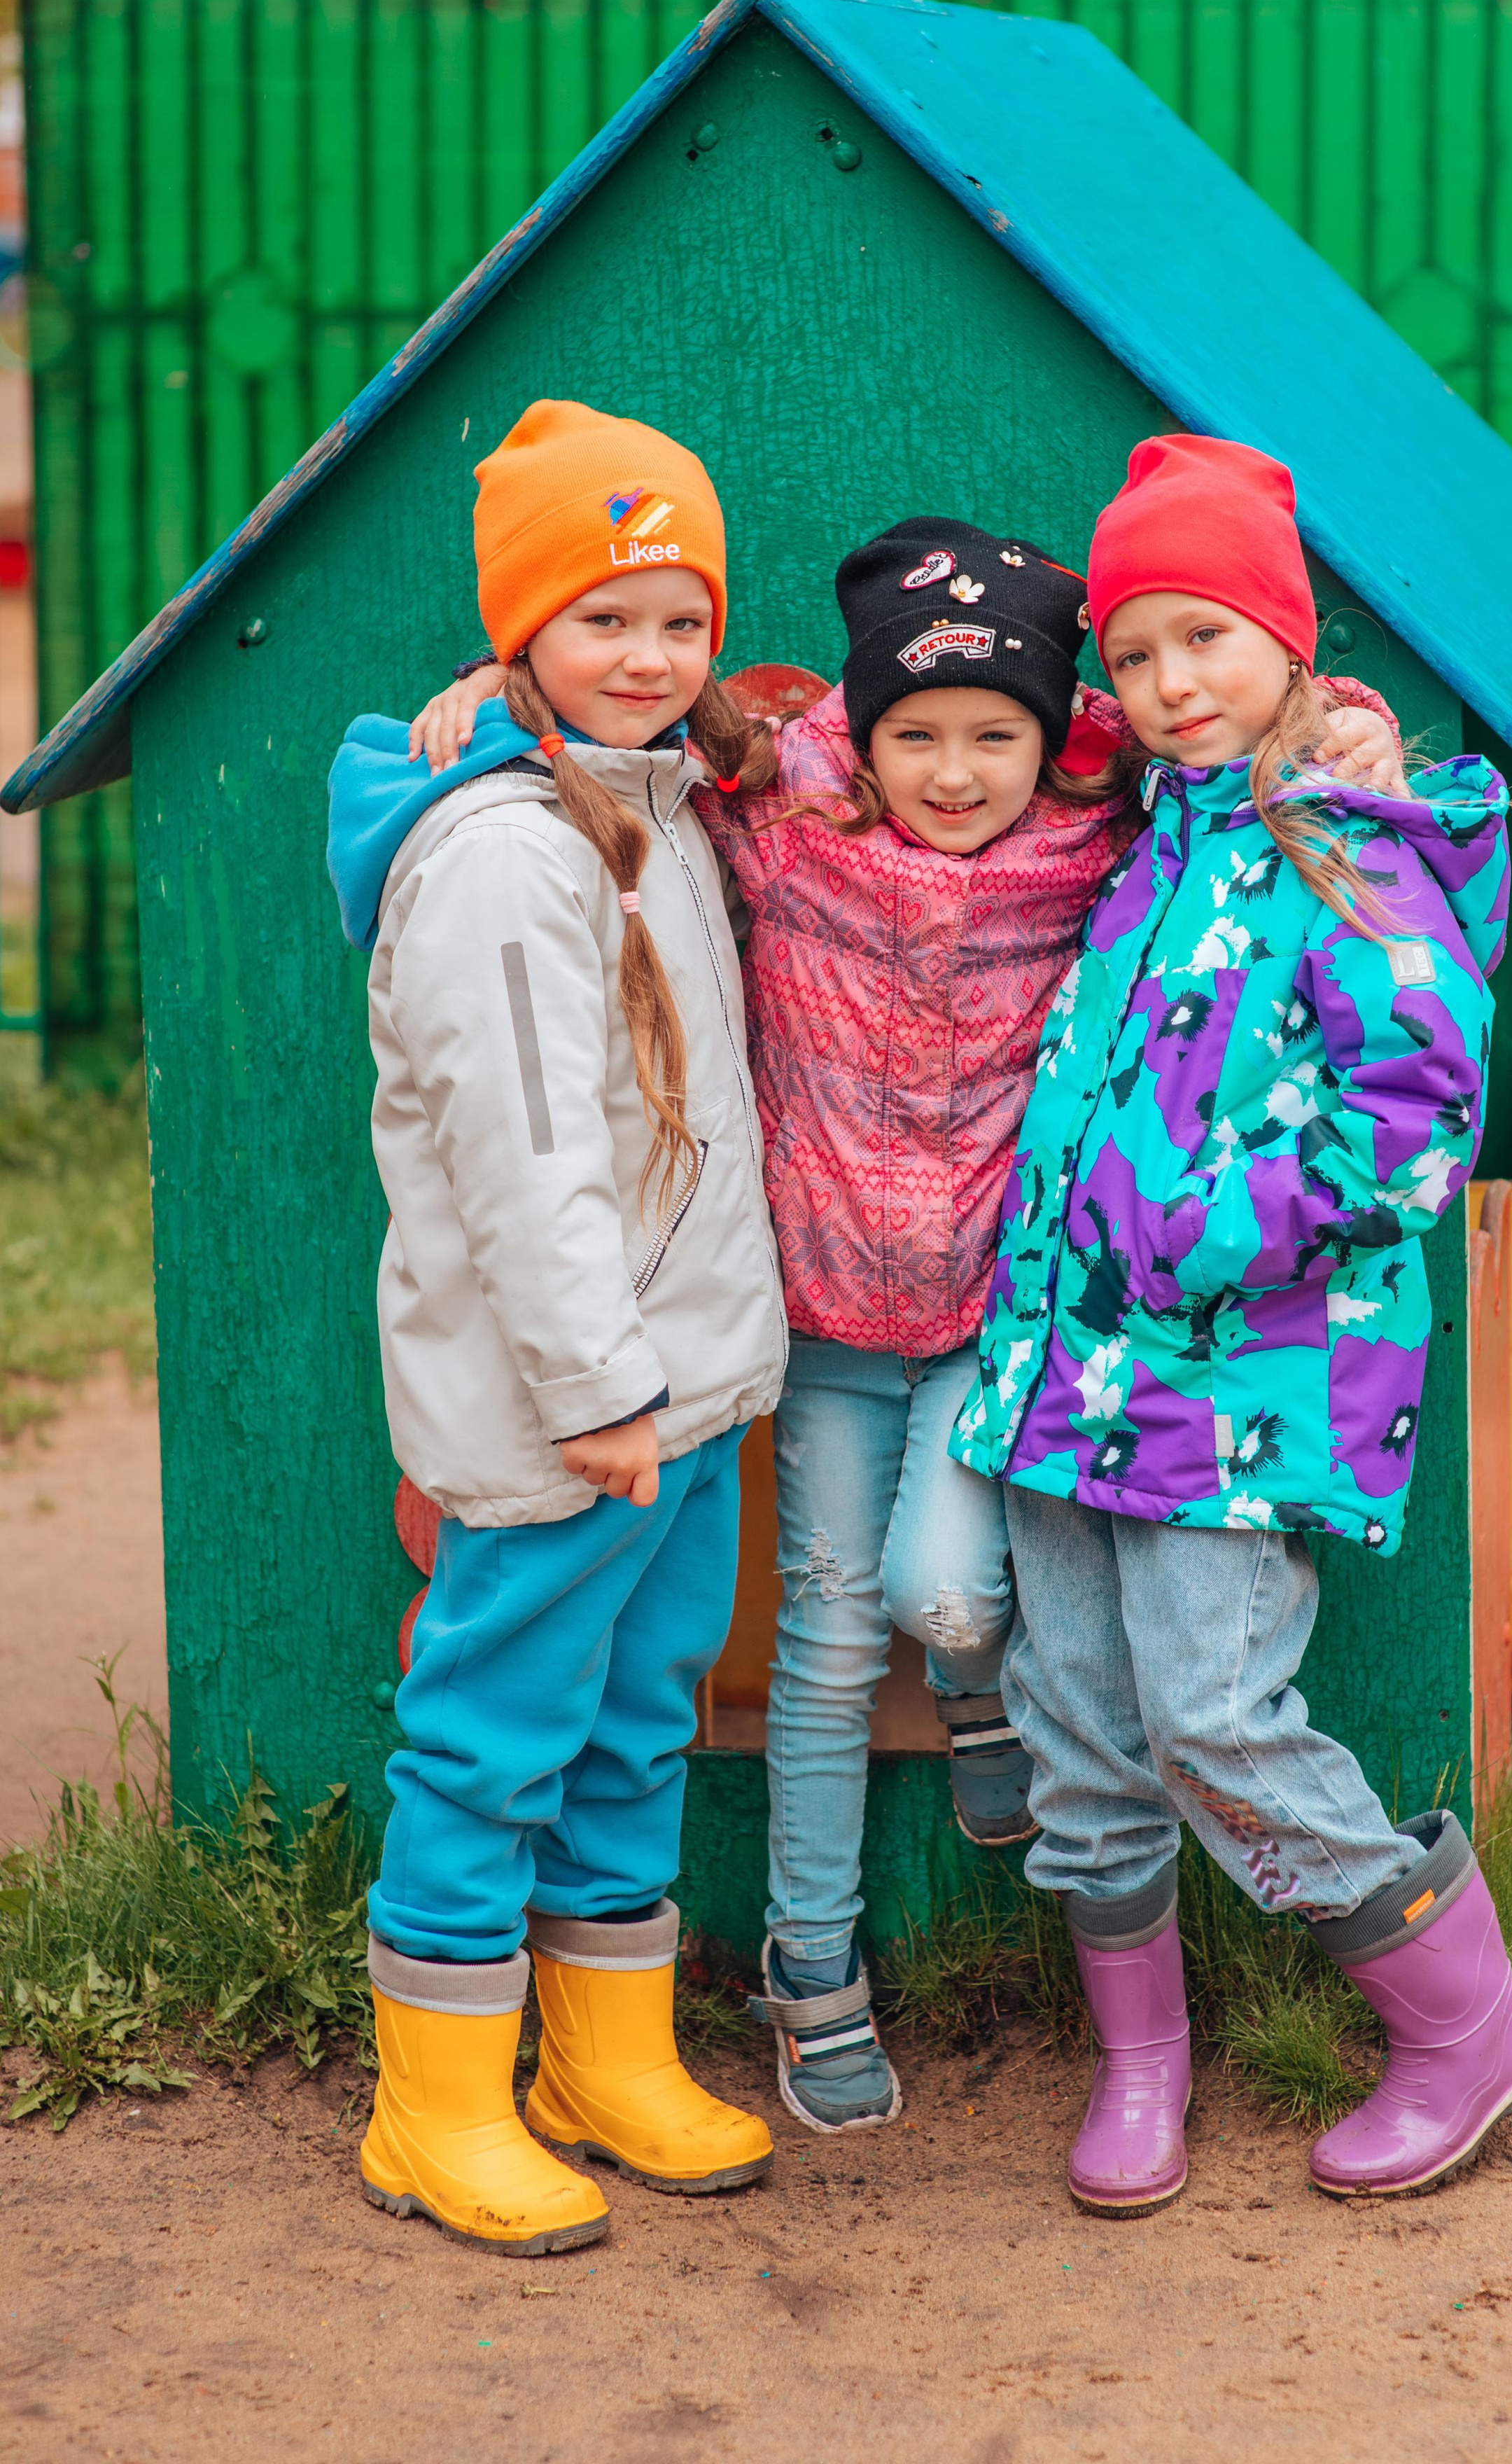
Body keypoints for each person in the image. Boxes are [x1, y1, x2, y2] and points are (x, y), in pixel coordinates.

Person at [419, 509, 1404, 2141]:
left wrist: (1342, 720)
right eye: (917, 736)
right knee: (820, 1642)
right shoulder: (790, 826)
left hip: (981, 1327)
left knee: (945, 1595)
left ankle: (978, 1695)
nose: (955, 773)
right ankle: (812, 1973)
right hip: (817, 1326)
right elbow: (649, 700)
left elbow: (1222, 720)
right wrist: (493, 683)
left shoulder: (1097, 834)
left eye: (993, 736)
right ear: (862, 741)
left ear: (1046, 736)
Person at [950, 434, 1512, 2215]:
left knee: (1212, 1712)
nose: (1164, 688)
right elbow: (926, 714)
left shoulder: (1351, 843)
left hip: (1236, 1380)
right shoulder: (1158, 829)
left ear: (1288, 642)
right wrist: (504, 683)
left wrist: (1205, 1233)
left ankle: (1463, 2019)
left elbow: (1414, 1117)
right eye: (1131, 657)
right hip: (1070, 1375)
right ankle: (1140, 2061)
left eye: (1203, 640)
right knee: (1071, 1711)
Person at [324, 401, 788, 2253]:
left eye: (681, 617)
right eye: (604, 620)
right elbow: (524, 1159)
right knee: (497, 1736)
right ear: (520, 635)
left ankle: (603, 2060)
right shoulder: (513, 858)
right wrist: (601, 1391)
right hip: (568, 1423)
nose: (652, 657)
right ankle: (433, 2104)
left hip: (673, 1403)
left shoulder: (658, 798)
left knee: (634, 1724)